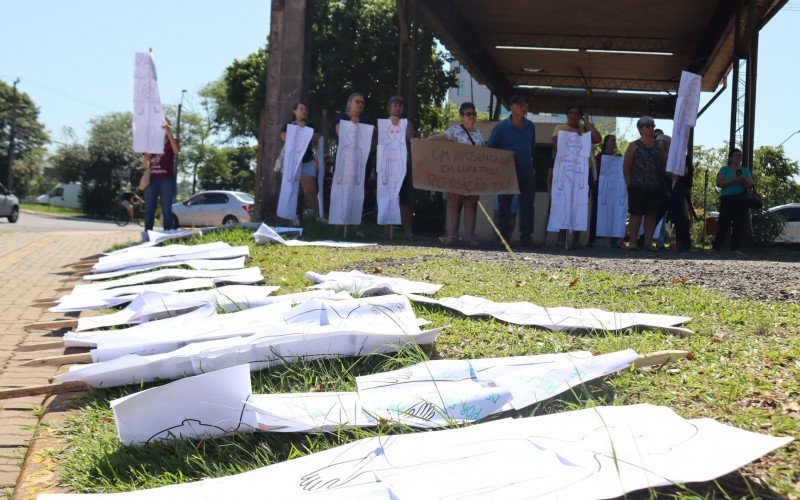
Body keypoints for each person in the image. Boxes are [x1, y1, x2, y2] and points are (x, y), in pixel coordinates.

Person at [428, 102, 484, 246]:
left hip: (473, 177)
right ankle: (451, 235)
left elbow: (484, 154)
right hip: (454, 176)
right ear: (461, 117)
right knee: (453, 204)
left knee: (471, 206)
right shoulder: (454, 131)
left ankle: (469, 236)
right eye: (468, 114)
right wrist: (424, 141)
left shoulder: (479, 135)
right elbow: (441, 137)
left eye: (473, 114)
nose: (471, 116)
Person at [548, 104, 601, 248]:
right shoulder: (560, 128)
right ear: (567, 115)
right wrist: (570, 135)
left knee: (580, 204)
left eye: (577, 113)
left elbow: (598, 139)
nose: (574, 115)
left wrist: (587, 124)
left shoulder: (585, 129)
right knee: (563, 204)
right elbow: (554, 145)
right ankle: (561, 238)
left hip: (583, 173)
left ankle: (576, 240)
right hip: (565, 171)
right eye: (571, 112)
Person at [488, 94, 537, 246]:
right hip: (506, 171)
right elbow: (491, 149)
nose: (525, 107)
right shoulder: (501, 127)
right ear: (511, 106)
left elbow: (532, 148)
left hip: (526, 170)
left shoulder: (530, 126)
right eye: (521, 104)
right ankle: (504, 237)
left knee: (528, 204)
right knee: (505, 204)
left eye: (526, 104)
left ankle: (526, 237)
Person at [333, 92, 374, 238]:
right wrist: (351, 124)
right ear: (349, 103)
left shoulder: (366, 121)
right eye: (357, 101)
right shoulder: (341, 118)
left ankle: (356, 226)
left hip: (361, 164)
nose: (360, 104)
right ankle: (338, 226)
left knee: (358, 195)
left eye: (362, 102)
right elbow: (339, 130)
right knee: (342, 193)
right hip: (344, 163)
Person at [623, 116, 665, 251]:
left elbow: (663, 165)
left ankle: (648, 243)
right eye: (648, 125)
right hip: (637, 186)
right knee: (636, 215)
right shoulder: (634, 145)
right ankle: (633, 242)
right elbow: (626, 166)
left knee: (651, 215)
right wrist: (629, 184)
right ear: (641, 129)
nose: (651, 127)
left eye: (652, 125)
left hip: (654, 186)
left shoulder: (658, 146)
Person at [281, 102, 321, 220]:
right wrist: (298, 129)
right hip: (292, 163)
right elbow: (283, 137)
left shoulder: (311, 125)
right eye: (301, 109)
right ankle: (289, 217)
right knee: (290, 189)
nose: (304, 111)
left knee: (311, 191)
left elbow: (317, 138)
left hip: (307, 161)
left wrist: (306, 130)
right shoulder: (288, 125)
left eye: (306, 109)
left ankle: (316, 217)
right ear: (294, 111)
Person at [712, 148, 752, 254]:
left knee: (738, 224)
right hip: (727, 199)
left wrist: (743, 179)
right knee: (723, 224)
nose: (738, 157)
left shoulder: (745, 170)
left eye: (740, 155)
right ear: (730, 158)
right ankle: (716, 248)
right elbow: (719, 183)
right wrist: (733, 181)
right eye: (736, 155)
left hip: (740, 199)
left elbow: (749, 185)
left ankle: (735, 249)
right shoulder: (725, 169)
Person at [142, 120, 179, 233]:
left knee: (167, 208)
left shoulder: (171, 140)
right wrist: (146, 156)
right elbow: (145, 165)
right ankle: (148, 233)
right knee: (149, 208)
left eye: (164, 125)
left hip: (167, 179)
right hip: (151, 180)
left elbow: (176, 150)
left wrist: (169, 132)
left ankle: (167, 232)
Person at [386, 96, 414, 240]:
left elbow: (409, 139)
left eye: (400, 106)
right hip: (386, 165)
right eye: (395, 105)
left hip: (402, 166)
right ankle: (386, 231)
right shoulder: (383, 124)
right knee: (386, 198)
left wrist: (398, 126)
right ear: (389, 108)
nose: (397, 108)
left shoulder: (407, 124)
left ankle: (408, 232)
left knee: (403, 200)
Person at [592, 134, 622, 247]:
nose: (614, 142)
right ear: (606, 142)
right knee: (596, 214)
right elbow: (597, 172)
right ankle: (593, 240)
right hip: (600, 190)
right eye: (611, 140)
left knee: (614, 214)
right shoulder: (599, 157)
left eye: (615, 140)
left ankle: (614, 240)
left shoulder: (619, 157)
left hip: (613, 192)